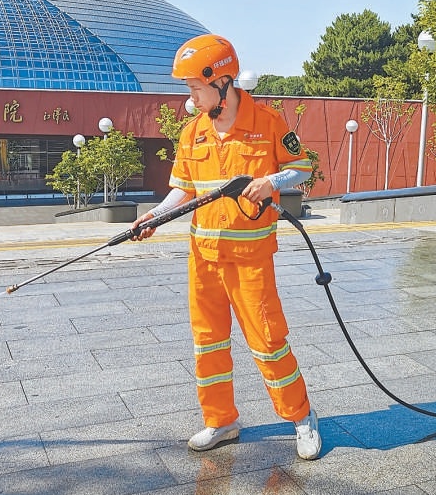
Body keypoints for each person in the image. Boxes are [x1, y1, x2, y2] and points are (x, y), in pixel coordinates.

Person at [131, 34, 321, 460]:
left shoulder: (267, 122)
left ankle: (302, 416)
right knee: (208, 342)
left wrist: (271, 181)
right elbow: (182, 188)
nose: (190, 98)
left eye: (195, 88)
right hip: (203, 259)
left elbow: (301, 166)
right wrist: (154, 217)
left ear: (221, 81)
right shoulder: (193, 132)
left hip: (251, 260)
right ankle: (221, 421)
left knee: (269, 340)